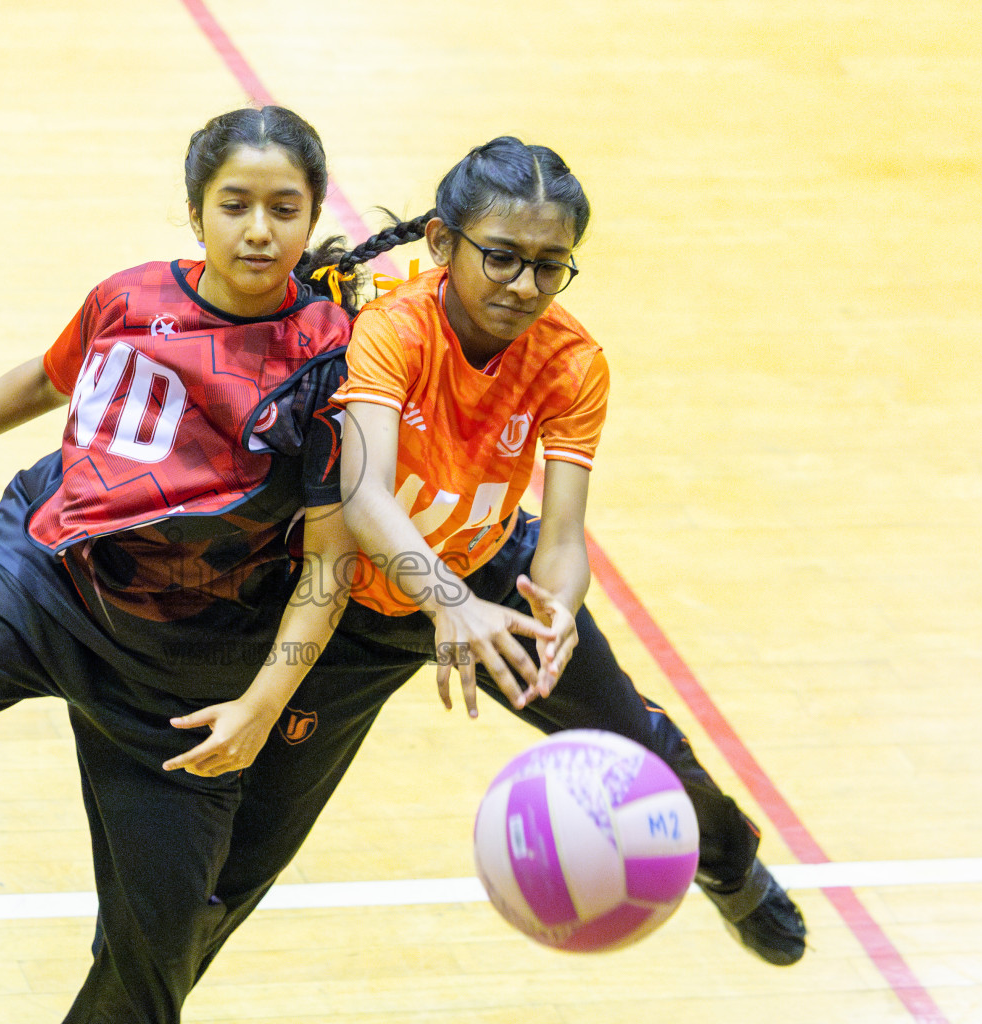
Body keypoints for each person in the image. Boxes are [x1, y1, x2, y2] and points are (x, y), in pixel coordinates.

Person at [0, 105, 419, 1023]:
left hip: (183, 664)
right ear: (195, 213)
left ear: (309, 216)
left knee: (156, 959)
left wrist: (262, 705)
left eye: (285, 208)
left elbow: (330, 558)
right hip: (42, 579)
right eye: (235, 204)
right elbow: (46, 376)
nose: (259, 230)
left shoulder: (333, 359)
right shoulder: (130, 295)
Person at [266, 137, 808, 966]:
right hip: (362, 605)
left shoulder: (573, 361)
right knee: (250, 844)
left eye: (551, 266)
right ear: (442, 244)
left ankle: (732, 872)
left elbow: (560, 538)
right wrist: (446, 603)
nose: (525, 287)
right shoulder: (393, 329)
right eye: (504, 259)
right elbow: (364, 495)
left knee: (644, 753)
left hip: (490, 571)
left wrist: (556, 609)